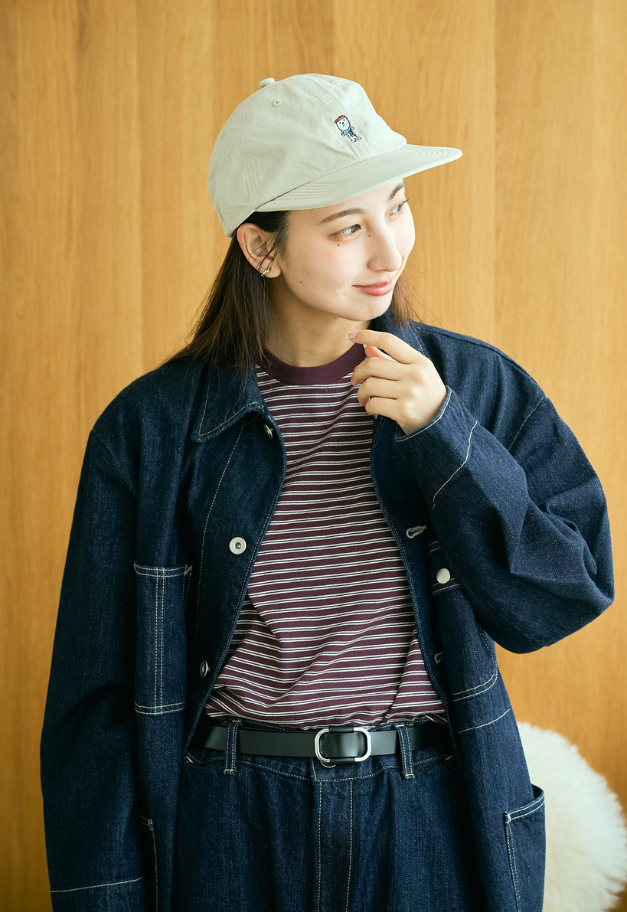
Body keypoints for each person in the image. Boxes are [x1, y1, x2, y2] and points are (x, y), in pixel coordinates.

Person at [40, 73, 614, 912]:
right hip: (228, 820)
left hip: (425, 815)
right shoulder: (151, 429)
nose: (389, 251)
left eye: (397, 206)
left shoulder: (476, 389)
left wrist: (444, 437)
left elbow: (563, 597)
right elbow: (93, 708)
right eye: (348, 227)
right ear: (261, 249)